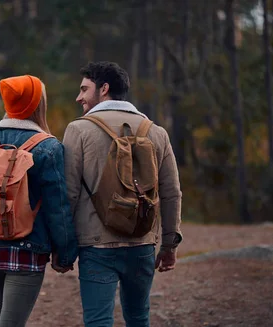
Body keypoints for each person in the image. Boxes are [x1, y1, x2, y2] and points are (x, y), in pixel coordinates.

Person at [62, 61, 183, 327]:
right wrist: (169, 245)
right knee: (139, 318)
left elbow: (68, 194)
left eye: (84, 89)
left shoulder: (78, 130)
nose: (78, 97)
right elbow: (172, 192)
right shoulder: (156, 132)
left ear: (104, 89)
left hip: (96, 245)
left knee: (98, 321)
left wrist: (63, 248)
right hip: (142, 242)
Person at [0, 74, 78, 327]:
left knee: (5, 320)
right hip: (26, 253)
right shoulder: (48, 147)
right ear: (37, 105)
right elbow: (57, 207)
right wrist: (65, 254)